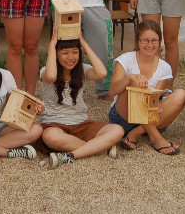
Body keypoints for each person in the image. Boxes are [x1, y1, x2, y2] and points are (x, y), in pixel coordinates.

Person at [37, 25, 124, 168]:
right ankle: (99, 148)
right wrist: (52, 44)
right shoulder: (46, 70)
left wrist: (83, 42)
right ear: (56, 53)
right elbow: (51, 76)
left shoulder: (82, 69)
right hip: (56, 125)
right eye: (65, 52)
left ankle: (70, 155)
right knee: (49, 136)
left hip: (81, 124)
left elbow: (102, 73)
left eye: (75, 52)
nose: (70, 57)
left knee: (117, 130)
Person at [108, 20, 185, 155]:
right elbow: (112, 91)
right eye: (145, 40)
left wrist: (156, 107)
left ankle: (136, 133)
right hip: (123, 117)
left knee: (181, 94)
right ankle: (156, 138)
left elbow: (155, 98)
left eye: (154, 41)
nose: (150, 45)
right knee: (135, 84)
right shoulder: (125, 59)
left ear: (159, 42)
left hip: (149, 119)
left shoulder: (164, 67)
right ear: (138, 41)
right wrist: (128, 79)